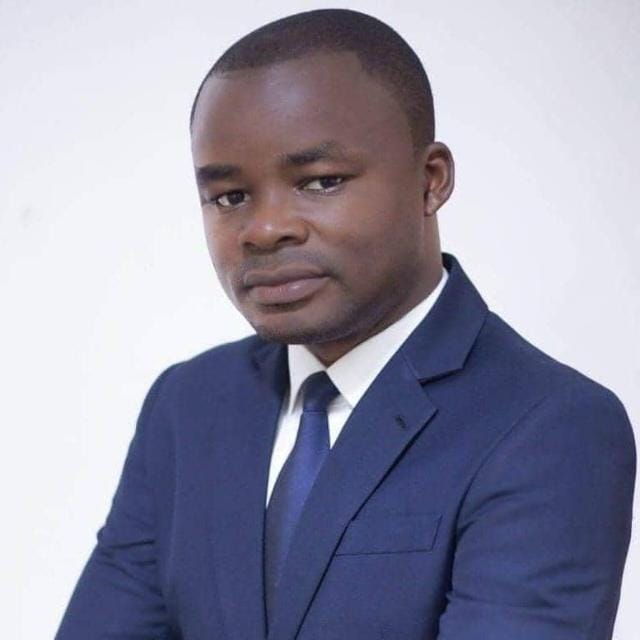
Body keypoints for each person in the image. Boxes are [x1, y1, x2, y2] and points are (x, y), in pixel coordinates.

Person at [56, 9, 636, 640]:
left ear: (430, 181)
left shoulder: (550, 428)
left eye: (321, 182)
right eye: (230, 197)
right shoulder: (187, 406)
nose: (264, 229)